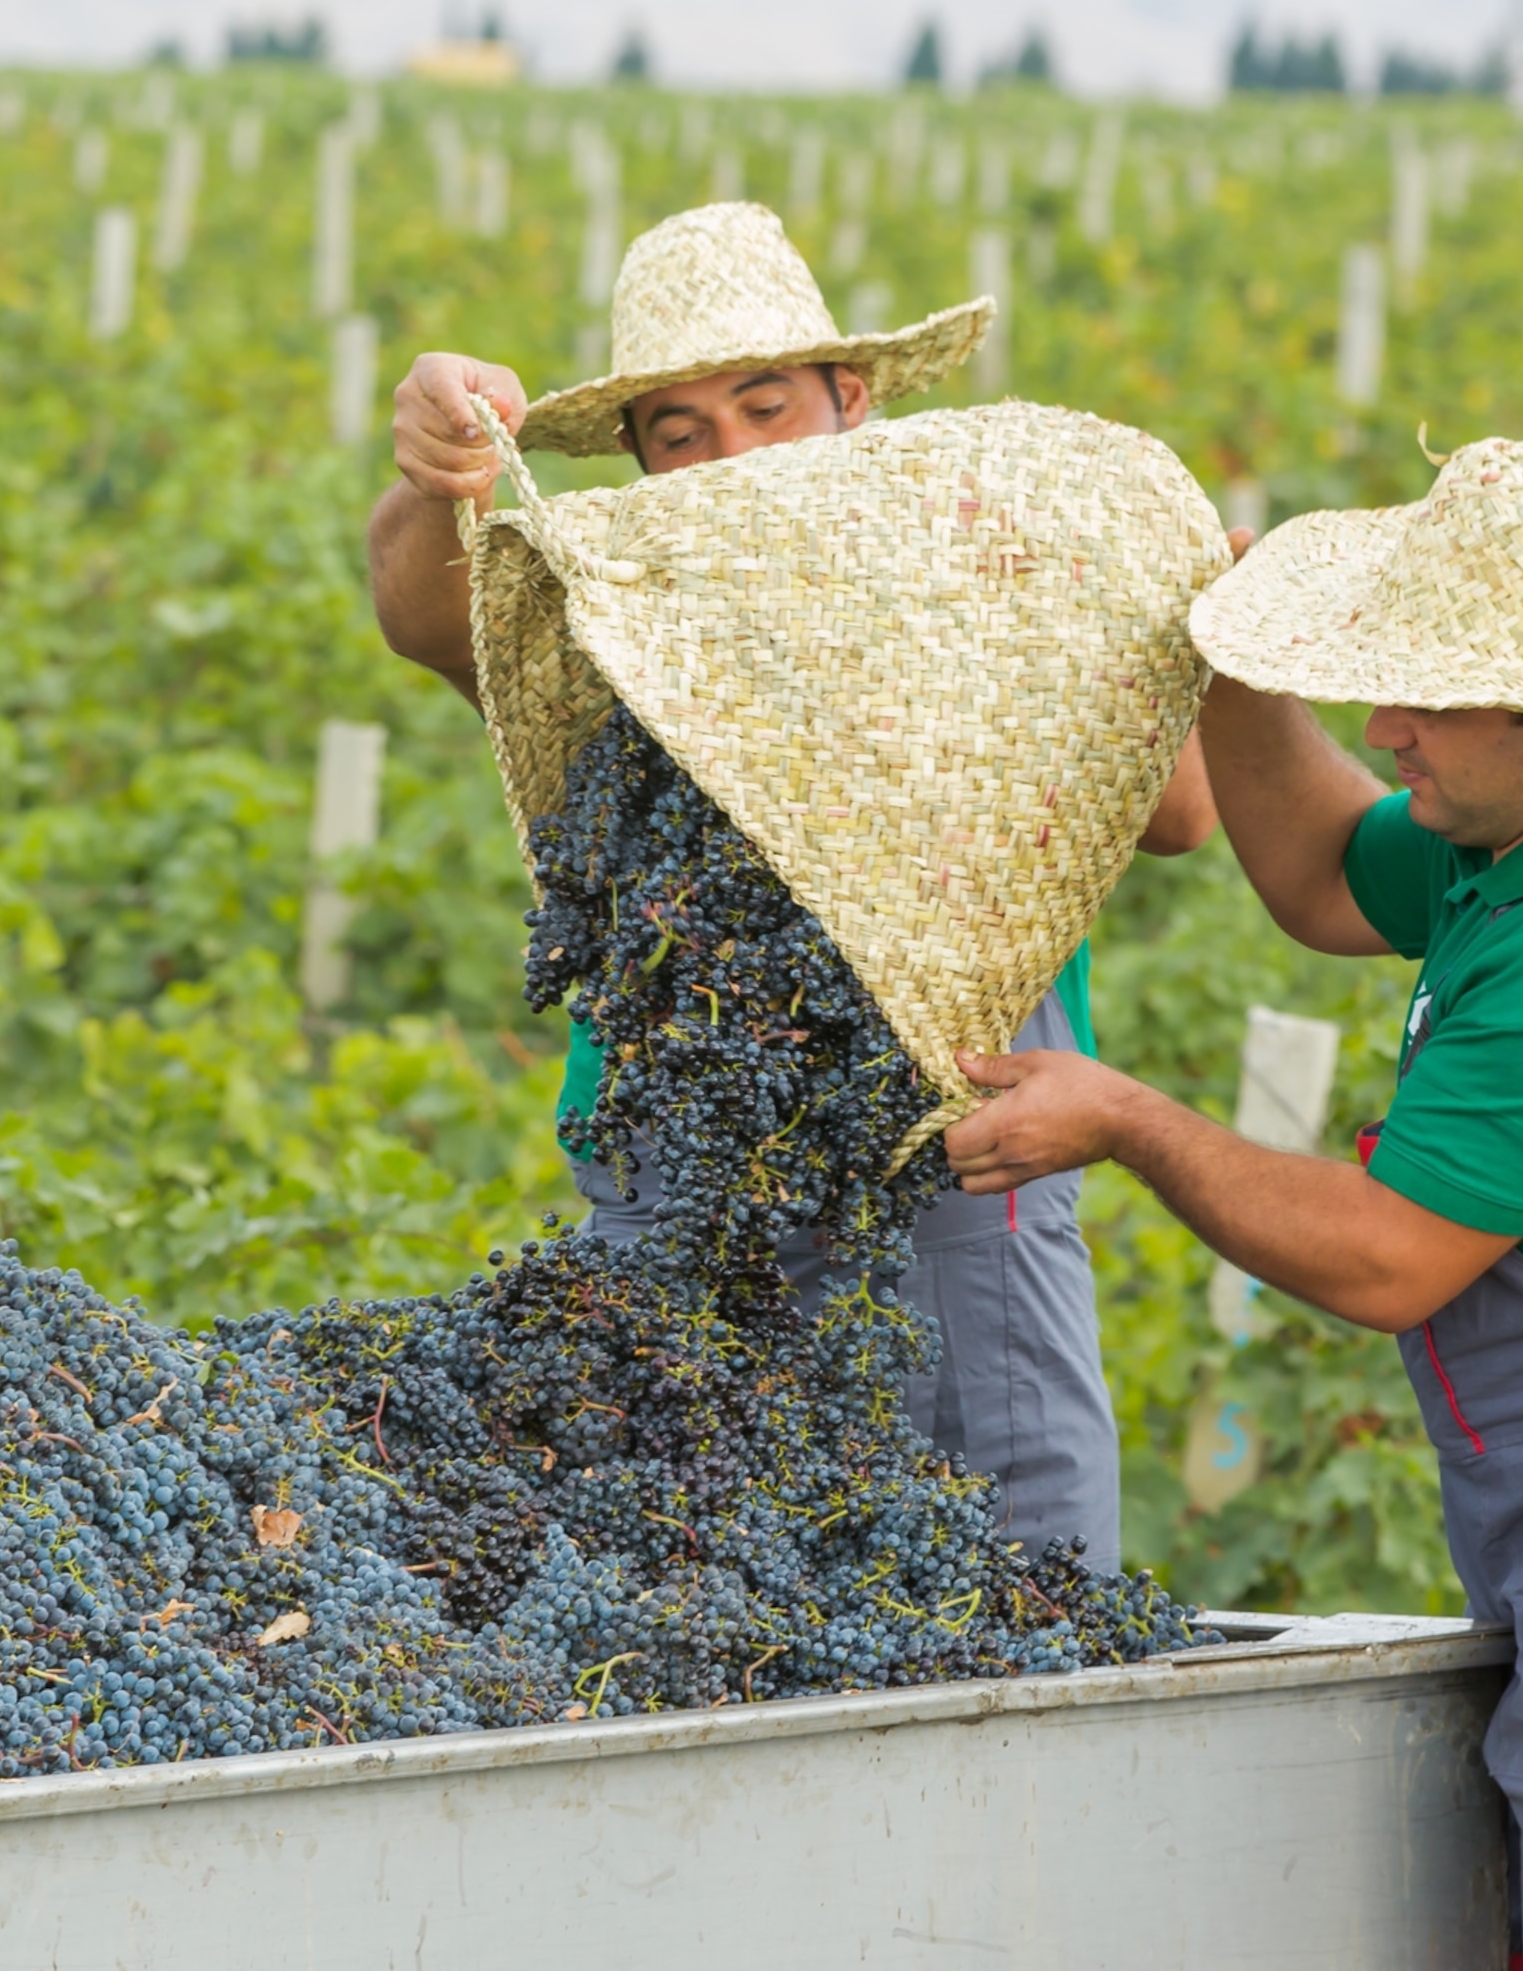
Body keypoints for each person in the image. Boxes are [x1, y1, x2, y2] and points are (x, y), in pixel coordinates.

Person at [936, 437, 1523, 1969]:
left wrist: (1126, 1118)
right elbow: (1323, 876)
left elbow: (1387, 1262)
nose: (1383, 729)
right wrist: (1237, 668)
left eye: (1424, 698)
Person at [366, 202, 1215, 1573]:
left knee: (1011, 1594)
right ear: (642, 463)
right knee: (704, 1600)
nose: (731, 457)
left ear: (855, 404)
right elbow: (425, 615)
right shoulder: (619, 603)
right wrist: (437, 475)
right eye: (681, 433)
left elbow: (1174, 815)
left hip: (953, 1148)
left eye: (766, 409)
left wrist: (1103, 608)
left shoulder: (975, 576)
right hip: (674, 1156)